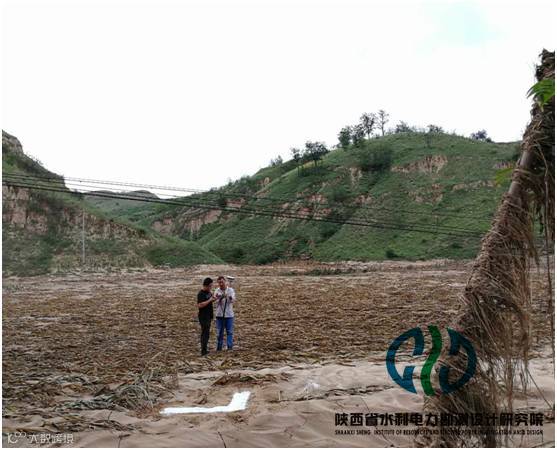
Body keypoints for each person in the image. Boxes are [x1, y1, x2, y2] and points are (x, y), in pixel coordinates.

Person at [214, 275, 236, 351]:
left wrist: (229, 296)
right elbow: (215, 301)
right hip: (220, 314)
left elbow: (232, 300)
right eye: (219, 282)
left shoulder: (230, 290)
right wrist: (221, 297)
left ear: (225, 282)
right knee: (220, 332)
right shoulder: (217, 291)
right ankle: (219, 347)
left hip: (229, 314)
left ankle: (229, 347)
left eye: (222, 282)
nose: (221, 284)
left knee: (229, 332)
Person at [197, 277, 216, 356]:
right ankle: (203, 351)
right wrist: (210, 300)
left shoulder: (209, 292)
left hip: (209, 316)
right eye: (210, 286)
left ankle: (205, 349)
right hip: (203, 317)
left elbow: (210, 300)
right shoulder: (201, 294)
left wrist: (213, 299)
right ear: (206, 285)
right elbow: (200, 305)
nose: (211, 287)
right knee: (204, 333)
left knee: (207, 333)